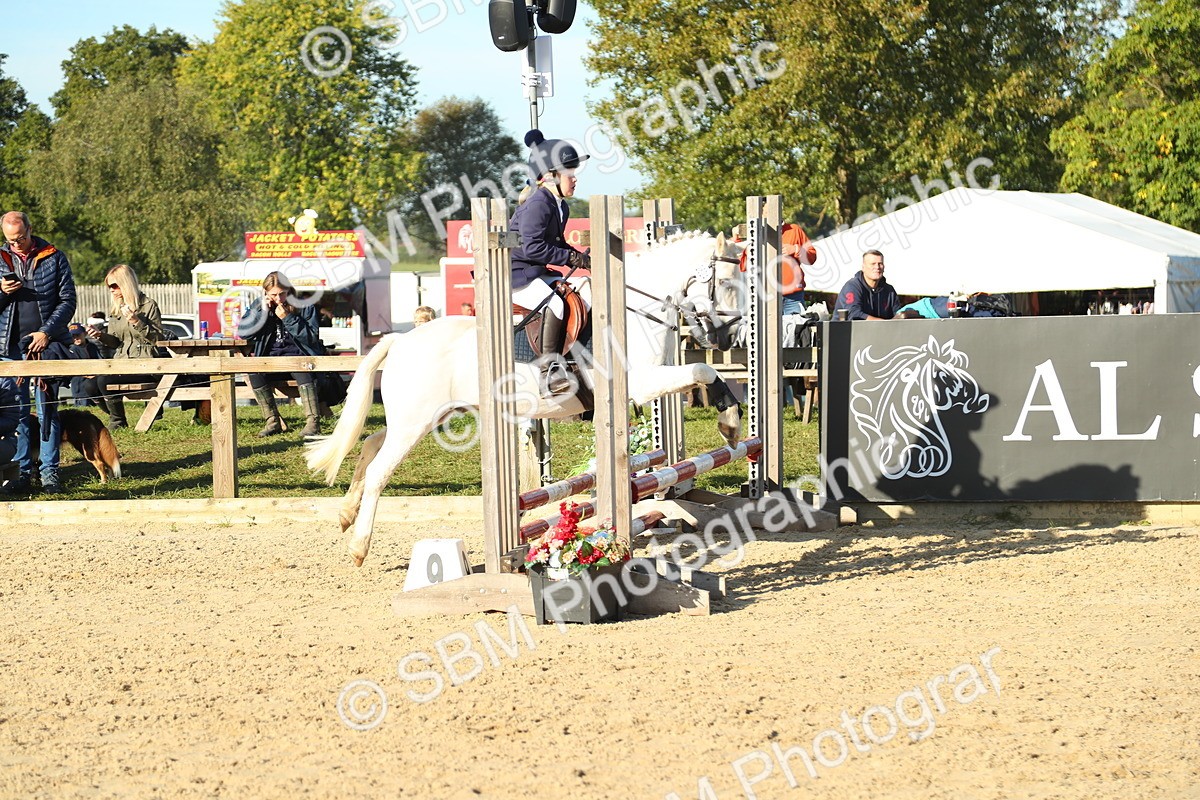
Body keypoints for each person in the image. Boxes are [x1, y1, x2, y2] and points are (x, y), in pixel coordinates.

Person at [0, 210, 77, 495]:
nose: (16, 244)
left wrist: (47, 332)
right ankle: (21, 472)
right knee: (16, 414)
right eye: (10, 240)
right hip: (9, 349)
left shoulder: (55, 257)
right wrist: (3, 292)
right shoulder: (0, 259)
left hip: (47, 346)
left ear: (30, 230)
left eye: (20, 238)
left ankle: (49, 473)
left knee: (47, 411)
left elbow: (68, 300)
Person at [509, 129, 590, 396]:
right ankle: (549, 372)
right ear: (551, 176)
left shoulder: (560, 206)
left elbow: (555, 244)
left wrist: (584, 259)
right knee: (554, 302)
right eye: (569, 173)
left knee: (583, 287)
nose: (575, 178)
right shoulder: (538, 203)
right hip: (519, 274)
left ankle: (579, 359)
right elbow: (532, 247)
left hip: (536, 271)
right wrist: (570, 257)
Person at [239, 271, 326, 438]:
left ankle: (313, 423)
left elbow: (311, 338)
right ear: (265, 293)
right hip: (270, 359)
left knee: (303, 370)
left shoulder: (304, 305)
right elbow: (243, 333)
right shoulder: (258, 305)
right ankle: (272, 421)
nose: (278, 299)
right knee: (254, 371)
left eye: (282, 294)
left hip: (298, 358)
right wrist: (261, 311)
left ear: (289, 291)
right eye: (273, 295)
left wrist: (288, 318)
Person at [87, 264, 165, 430]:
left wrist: (137, 322)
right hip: (122, 362)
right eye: (109, 287)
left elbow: (158, 339)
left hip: (146, 364)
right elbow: (116, 342)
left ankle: (118, 422)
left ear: (126, 283)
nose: (112, 290)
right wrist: (100, 335)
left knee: (104, 380)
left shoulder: (149, 305)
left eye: (114, 286)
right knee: (90, 386)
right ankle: (115, 415)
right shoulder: (116, 309)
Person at [835, 250, 898, 320]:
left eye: (880, 263)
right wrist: (882, 323)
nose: (877, 267)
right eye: (873, 264)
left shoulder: (889, 290)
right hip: (847, 330)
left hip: (880, 330)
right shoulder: (852, 286)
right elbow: (853, 314)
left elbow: (897, 315)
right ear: (863, 267)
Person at [67, 323, 102, 406]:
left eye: (78, 335)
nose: (75, 338)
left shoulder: (92, 346)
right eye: (73, 336)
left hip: (95, 388)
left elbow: (100, 361)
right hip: (80, 390)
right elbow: (76, 368)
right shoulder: (72, 349)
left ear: (85, 334)